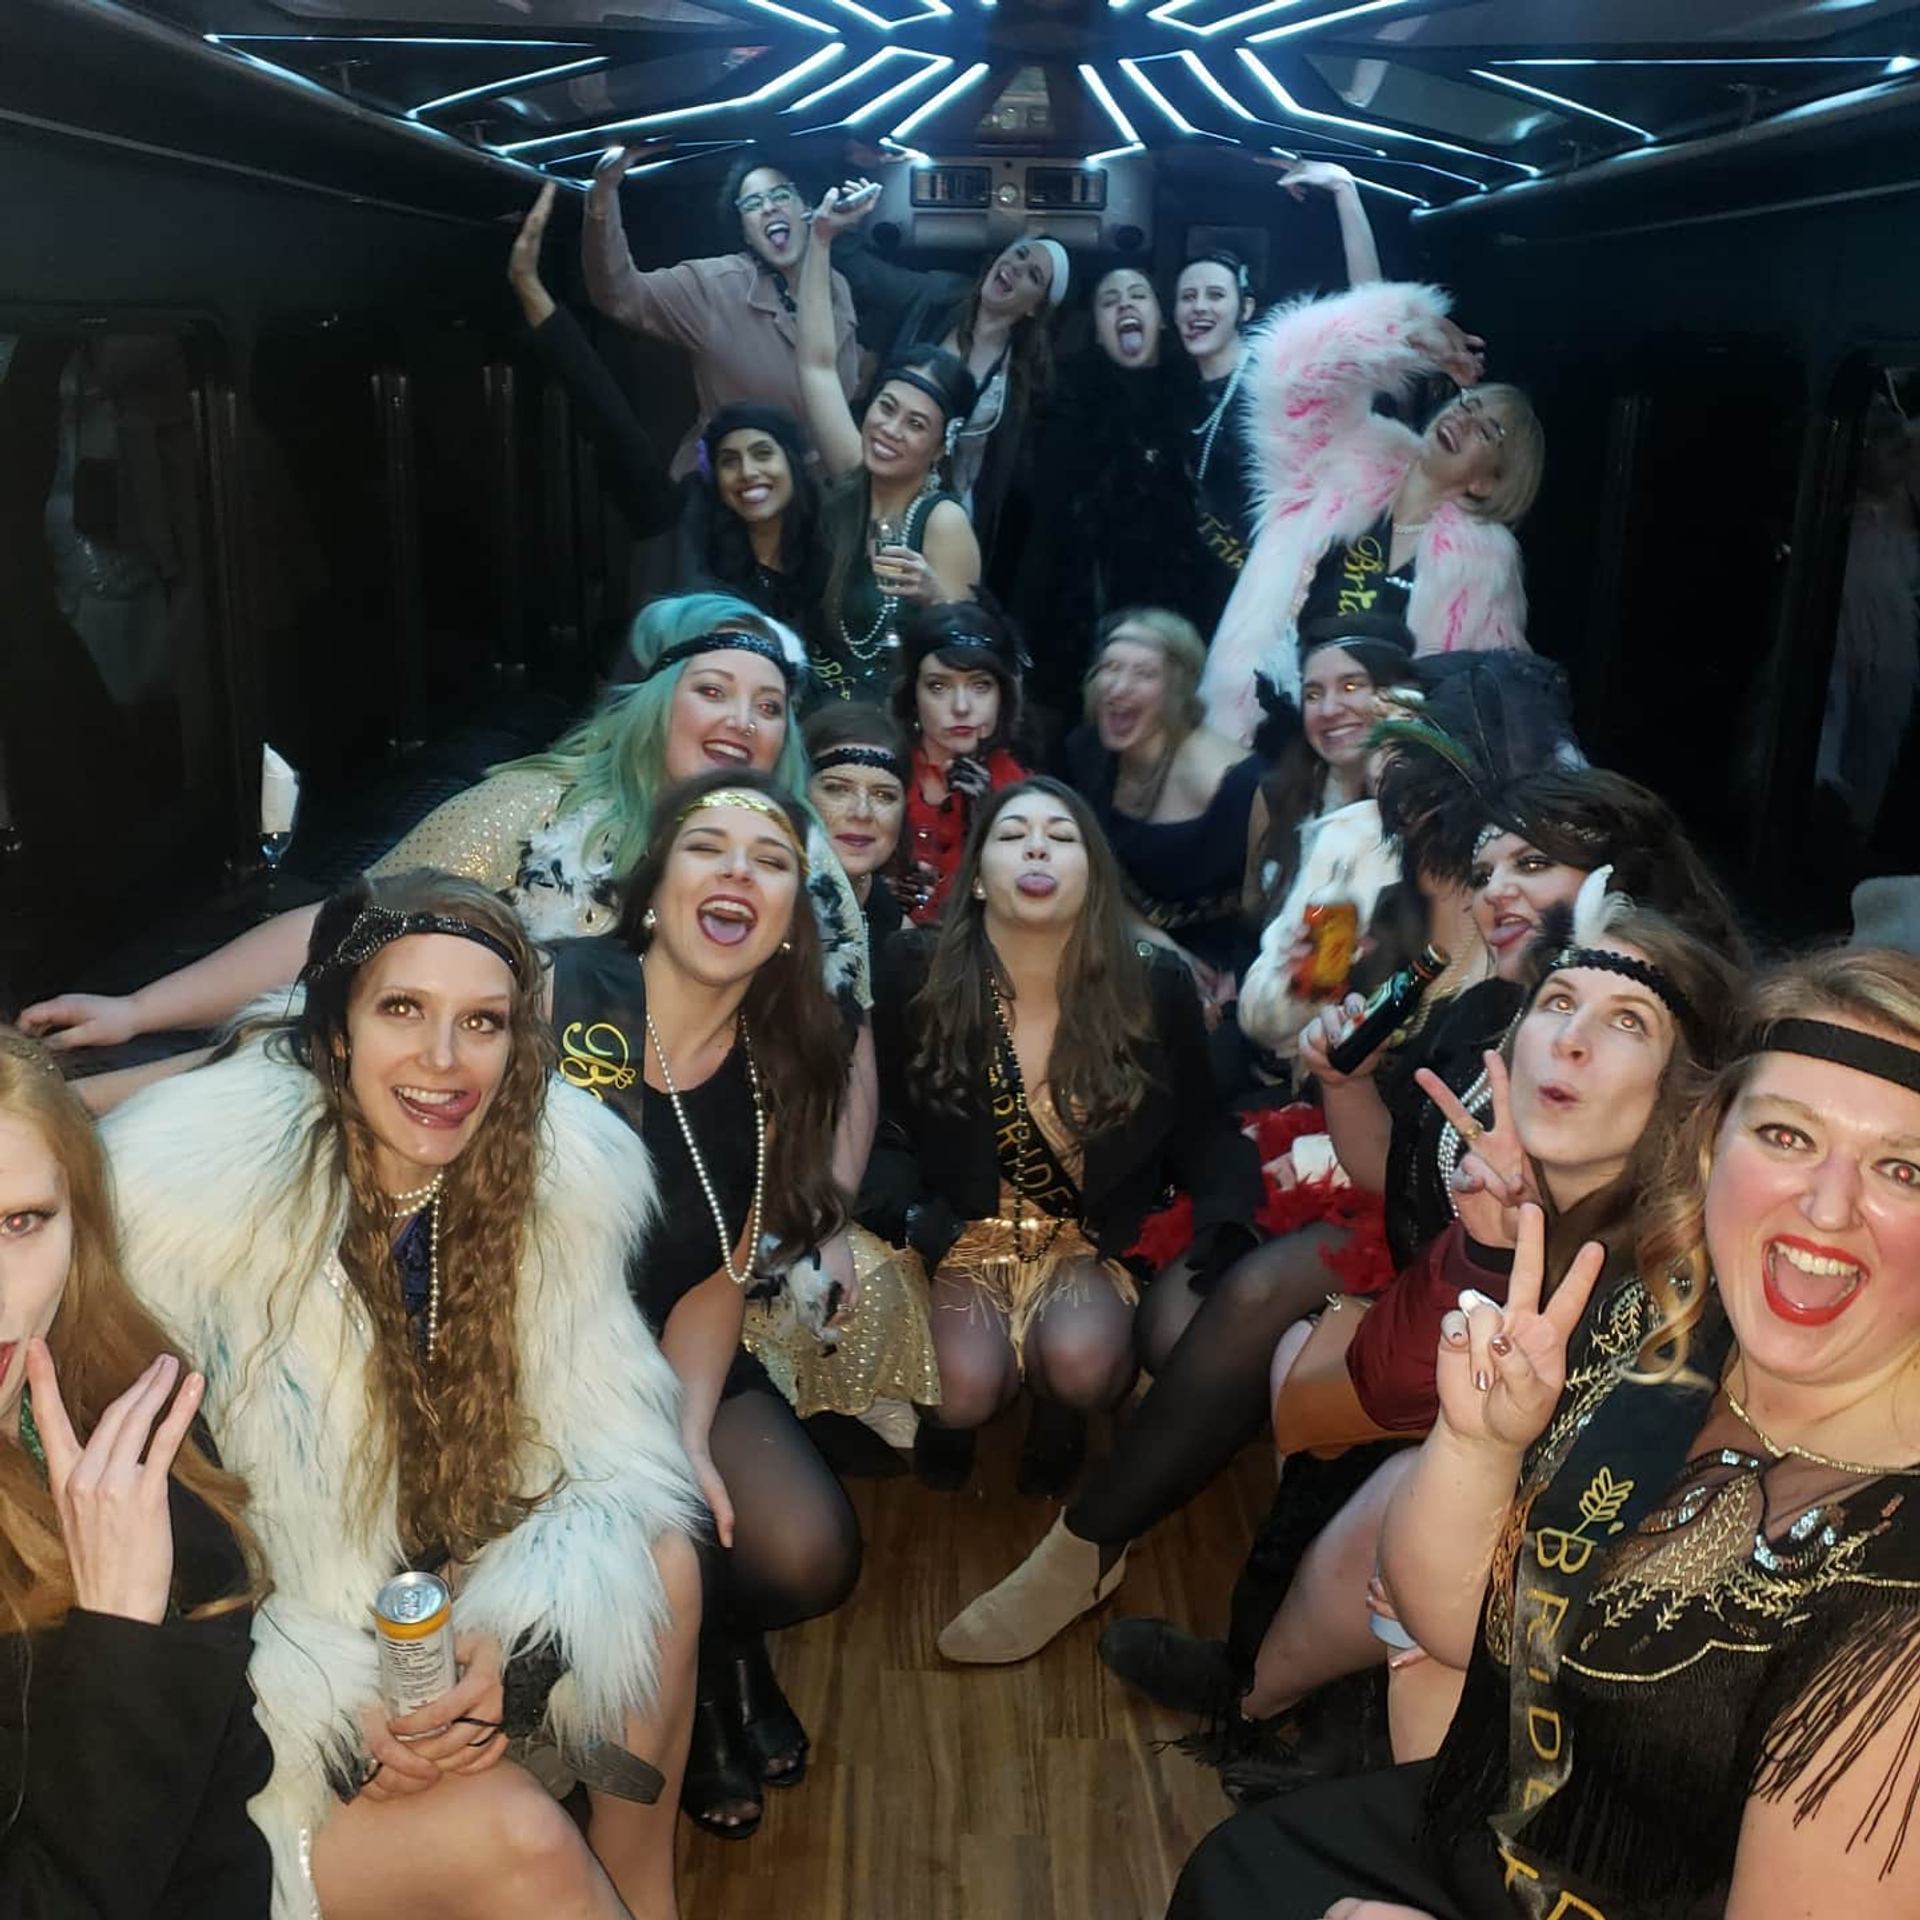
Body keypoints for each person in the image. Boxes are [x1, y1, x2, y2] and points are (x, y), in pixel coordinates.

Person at [1172, 946, 1920, 1919]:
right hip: (1481, 1834)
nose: (1825, 1207)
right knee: (1237, 1870)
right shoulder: (1657, 1331)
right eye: (1786, 1135)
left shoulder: (1900, 1591)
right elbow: (1452, 1622)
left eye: (1902, 1168)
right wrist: (1479, 1445)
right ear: (1711, 1146)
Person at [101, 873, 704, 1920]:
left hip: (421, 1613)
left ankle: (644, 1894)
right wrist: (337, 1716)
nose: (443, 1059)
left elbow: (607, 1452)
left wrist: (512, 1650)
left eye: (482, 1022)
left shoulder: (554, 1183)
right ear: (337, 1030)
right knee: (523, 1838)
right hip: (248, 1701)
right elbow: (172, 1578)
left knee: (665, 1563)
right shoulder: (195, 1216)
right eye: (403, 1010)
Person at [1212, 889, 1743, 1790]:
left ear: (1685, 1089)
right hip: (1475, 1530)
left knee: (1398, 1503)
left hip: (1615, 1647)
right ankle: (1262, 1704)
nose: (1570, 1040)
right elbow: (1387, 1387)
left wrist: (1453, 1574)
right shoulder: (1516, 1188)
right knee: (1382, 1472)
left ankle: (1312, 1734)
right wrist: (1484, 1252)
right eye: (1558, 1002)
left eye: (1629, 1022)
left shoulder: (1692, 1270)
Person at [20, 593, 872, 1072]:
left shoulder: (805, 867)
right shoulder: (538, 809)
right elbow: (348, 926)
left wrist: (822, 1213)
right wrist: (138, 1009)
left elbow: (847, 1046)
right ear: (657, 705)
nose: (742, 721)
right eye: (713, 691)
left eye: (769, 707)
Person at [861, 778, 1262, 1656]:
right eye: (1014, 835)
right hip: (963, 1232)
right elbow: (879, 1124)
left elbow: (1203, 1128)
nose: (1038, 848)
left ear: (1094, 876)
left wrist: (1227, 1226)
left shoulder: (1151, 984)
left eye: (1062, 836)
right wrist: (916, 1219)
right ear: (977, 876)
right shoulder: (913, 970)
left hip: (1085, 1240)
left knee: (1082, 1367)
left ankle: (1059, 1413)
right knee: (961, 1395)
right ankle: (963, 1414)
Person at [543, 771, 861, 1839]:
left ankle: (720, 1653)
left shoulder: (777, 1066)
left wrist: (687, 1437)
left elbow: (720, 1277)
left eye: (770, 862)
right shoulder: (554, 991)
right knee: (650, 1543)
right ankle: (694, 1698)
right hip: (533, 1368)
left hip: (671, 1350)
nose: (737, 873)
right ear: (654, 887)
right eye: (706, 848)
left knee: (808, 1551)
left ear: (789, 920)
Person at [0, 1025, 271, 1916]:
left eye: (20, 1223)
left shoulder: (126, 1397)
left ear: (81, 1222)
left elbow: (229, 1757)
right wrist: (118, 1634)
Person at [1200, 280, 1545, 746]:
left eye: (1486, 432)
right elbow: (1292, 369)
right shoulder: (1339, 458)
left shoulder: (1483, 572)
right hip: (1252, 738)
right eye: (1468, 404)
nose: (1463, 420)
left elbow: (1497, 706)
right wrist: (1407, 331)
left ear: (1486, 482)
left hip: (1369, 769)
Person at [508, 191, 833, 643]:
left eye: (762, 453)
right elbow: (606, 415)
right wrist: (528, 284)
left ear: (794, 465)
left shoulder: (827, 544)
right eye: (729, 461)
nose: (747, 472)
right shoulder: (681, 526)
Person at [795, 180, 982, 702]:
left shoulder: (943, 523)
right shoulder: (853, 469)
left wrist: (935, 599)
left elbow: (967, 665)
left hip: (895, 729)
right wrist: (821, 240)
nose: (891, 430)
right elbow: (816, 364)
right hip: (819, 716)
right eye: (887, 407)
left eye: (916, 425)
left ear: (940, 447)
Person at [1175, 162, 1382, 629]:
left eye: (1215, 295)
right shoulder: (1177, 395)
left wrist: (1344, 192)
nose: (1199, 307)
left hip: (1295, 601)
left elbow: (1371, 321)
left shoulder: (1278, 376)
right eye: (1187, 297)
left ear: (1245, 307)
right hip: (1213, 606)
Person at [582, 146, 859, 477]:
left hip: (812, 490)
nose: (768, 207)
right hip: (728, 489)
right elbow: (619, 294)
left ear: (807, 208)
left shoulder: (837, 287)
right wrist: (603, 196)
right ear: (746, 233)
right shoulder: (713, 285)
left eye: (780, 195)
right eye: (752, 204)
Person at [830, 202, 1067, 569]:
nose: (1017, 268)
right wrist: (845, 218)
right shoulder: (935, 295)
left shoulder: (1028, 380)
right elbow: (859, 269)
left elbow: (1010, 482)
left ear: (1036, 307)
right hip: (882, 475)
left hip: (953, 513)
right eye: (1019, 254)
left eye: (1033, 275)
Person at [1019, 265, 1209, 714]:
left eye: (1138, 295)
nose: (1124, 303)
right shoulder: (1067, 415)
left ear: (1161, 319)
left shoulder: (1201, 404)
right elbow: (1045, 536)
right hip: (1089, 628)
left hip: (1186, 619)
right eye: (1109, 300)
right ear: (1100, 335)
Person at [892, 600, 1030, 925]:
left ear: (1002, 696)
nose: (961, 707)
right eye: (938, 686)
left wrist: (989, 819)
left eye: (980, 686)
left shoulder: (1025, 795)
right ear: (913, 695)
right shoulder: (881, 769)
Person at [802, 700, 911, 941]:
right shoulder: (762, 908)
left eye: (883, 795)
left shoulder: (902, 937)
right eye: (837, 789)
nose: (862, 812)